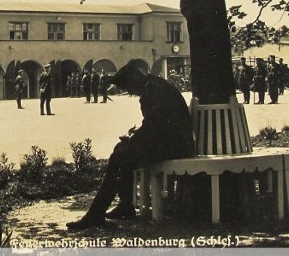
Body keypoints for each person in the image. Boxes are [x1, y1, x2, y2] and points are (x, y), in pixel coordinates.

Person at [66, 61, 194, 230]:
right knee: (121, 151)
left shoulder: (152, 92)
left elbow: (155, 127)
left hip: (175, 148)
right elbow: (156, 125)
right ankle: (123, 206)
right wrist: (135, 136)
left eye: (129, 88)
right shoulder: (154, 86)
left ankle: (97, 213)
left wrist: (134, 138)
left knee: (120, 156)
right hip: (173, 143)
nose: (130, 92)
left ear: (134, 81)